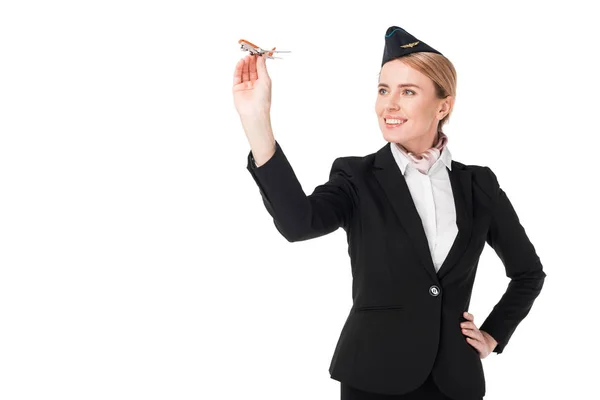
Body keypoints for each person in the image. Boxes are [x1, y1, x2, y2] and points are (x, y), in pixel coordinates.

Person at [232, 25, 546, 400]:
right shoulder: (356, 177)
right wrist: (257, 121)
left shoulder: (479, 185)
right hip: (373, 378)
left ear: (443, 106)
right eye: (383, 90)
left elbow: (528, 273)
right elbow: (299, 224)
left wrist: (494, 335)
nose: (389, 105)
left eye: (407, 92)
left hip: (455, 382)